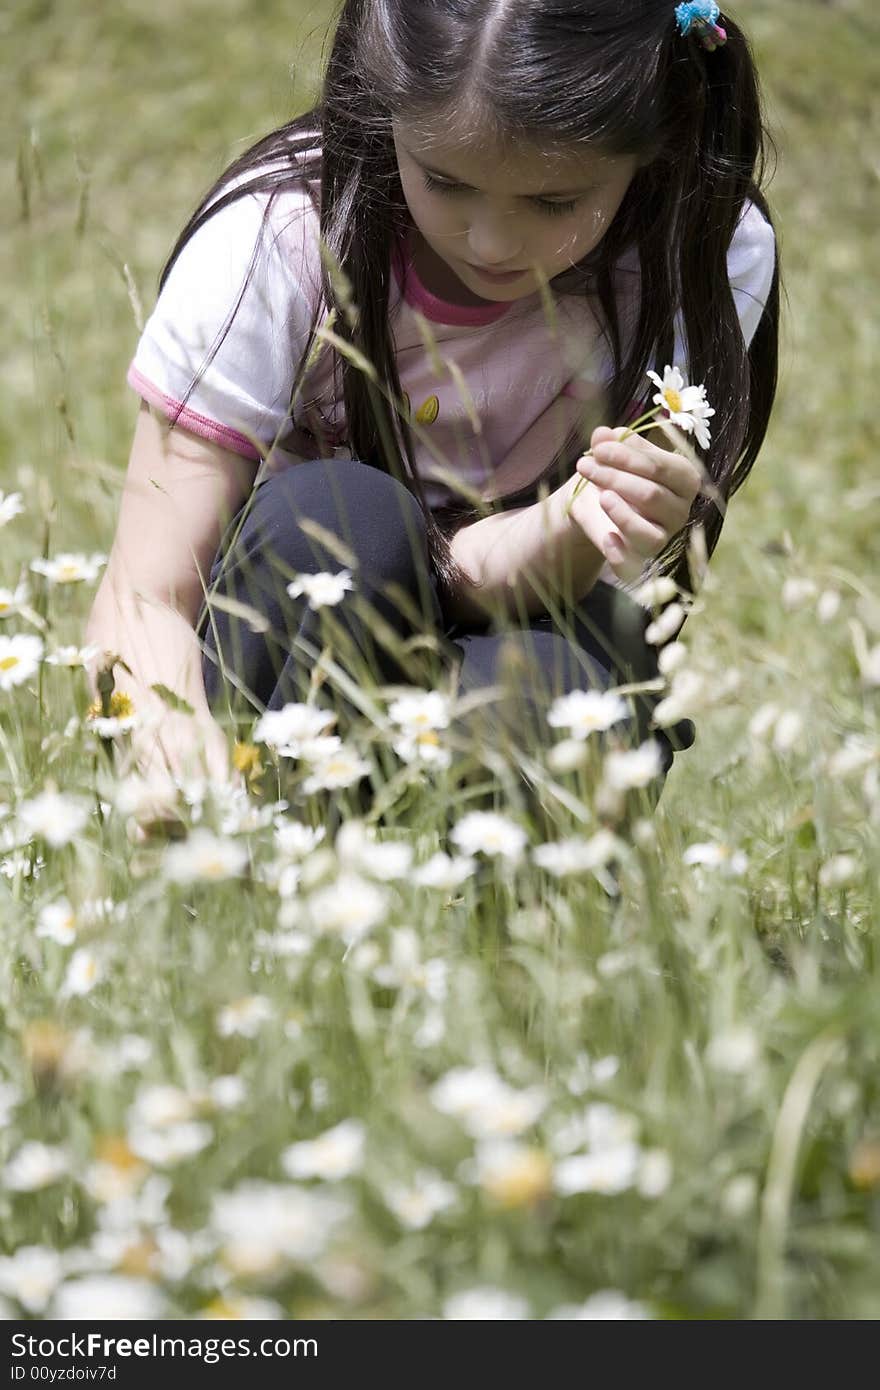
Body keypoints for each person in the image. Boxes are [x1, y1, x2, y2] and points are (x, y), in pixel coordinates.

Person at [84, 0, 779, 832]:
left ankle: (485, 927)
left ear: (651, 143)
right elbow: (143, 591)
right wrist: (170, 736)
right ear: (386, 109)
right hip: (311, 626)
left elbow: (527, 580)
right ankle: (249, 881)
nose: (490, 240)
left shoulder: (697, 245)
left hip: (540, 615)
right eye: (445, 181)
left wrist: (570, 522)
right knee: (340, 513)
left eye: (555, 202)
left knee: (548, 700)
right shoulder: (285, 229)